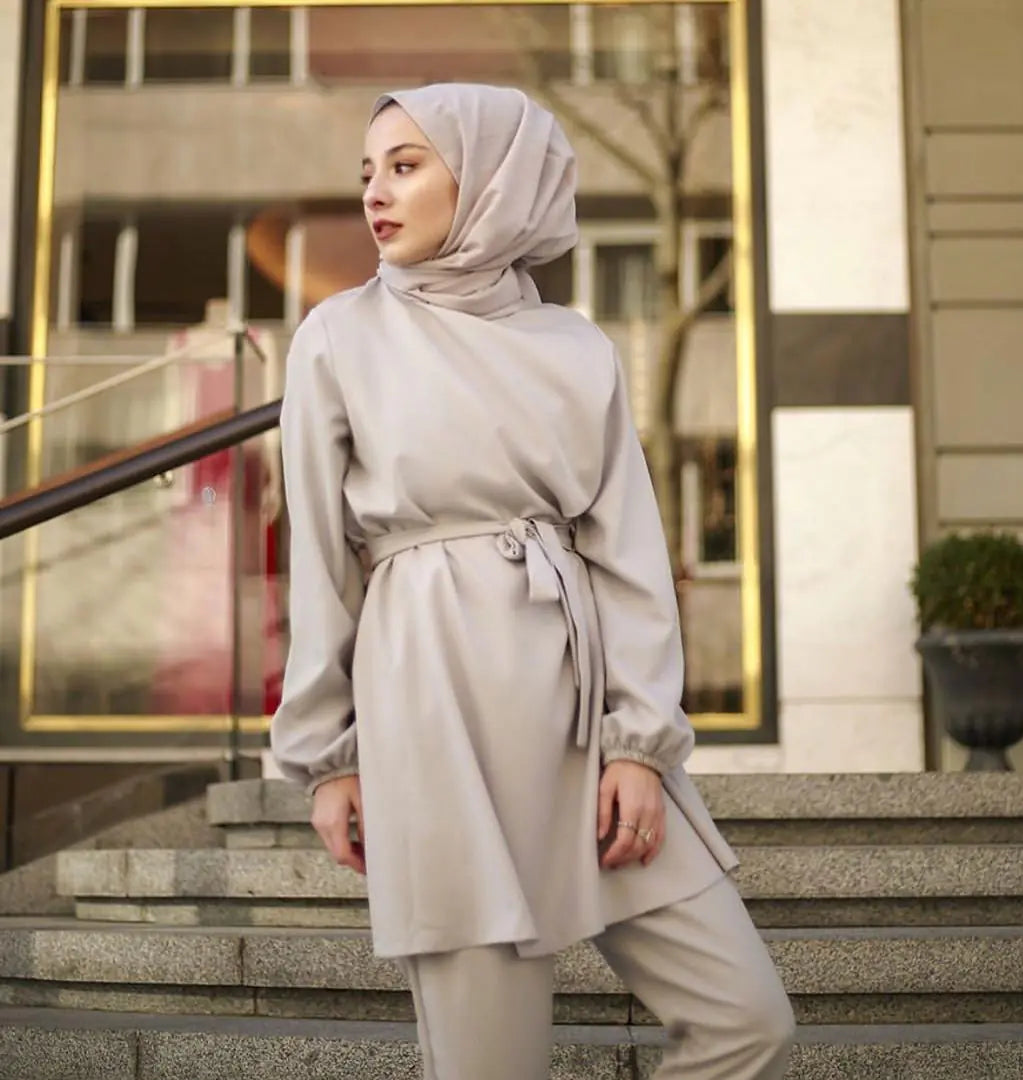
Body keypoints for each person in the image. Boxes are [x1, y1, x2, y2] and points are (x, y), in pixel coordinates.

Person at [270, 82, 794, 1080]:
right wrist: (327, 754)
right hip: (436, 711)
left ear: (493, 177)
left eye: (406, 164)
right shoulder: (339, 339)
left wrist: (638, 744)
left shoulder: (577, 345)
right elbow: (322, 565)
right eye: (368, 172)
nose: (377, 192)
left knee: (747, 1021)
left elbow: (630, 556)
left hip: (583, 718)